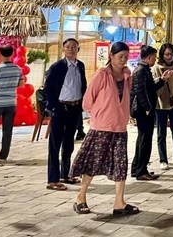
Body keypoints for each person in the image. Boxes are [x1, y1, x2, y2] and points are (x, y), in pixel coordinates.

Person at [71, 42, 139, 216]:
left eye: (125, 57)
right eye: (119, 57)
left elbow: (126, 98)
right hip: (101, 128)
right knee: (93, 162)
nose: (123, 60)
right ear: (111, 56)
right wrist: (98, 115)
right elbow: (87, 101)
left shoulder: (127, 75)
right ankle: (81, 197)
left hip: (120, 128)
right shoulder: (102, 75)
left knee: (120, 164)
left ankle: (119, 202)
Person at [45, 38, 87, 191]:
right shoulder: (57, 67)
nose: (70, 49)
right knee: (55, 144)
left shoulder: (80, 66)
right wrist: (53, 107)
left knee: (69, 143)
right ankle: (52, 179)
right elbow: (48, 89)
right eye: (67, 47)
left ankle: (65, 174)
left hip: (74, 107)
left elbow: (83, 85)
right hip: (60, 108)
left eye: (74, 47)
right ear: (63, 50)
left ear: (78, 49)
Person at [130, 46, 172, 181]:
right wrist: (147, 107)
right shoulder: (140, 70)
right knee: (145, 140)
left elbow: (150, 87)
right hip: (143, 111)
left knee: (143, 139)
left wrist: (162, 80)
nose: (155, 59)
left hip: (145, 109)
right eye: (154, 57)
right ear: (148, 57)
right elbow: (140, 91)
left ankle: (138, 168)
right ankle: (141, 170)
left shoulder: (144, 70)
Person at [152, 43, 173, 170]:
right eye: (167, 54)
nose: (169, 57)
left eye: (171, 54)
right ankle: (163, 159)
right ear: (162, 55)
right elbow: (154, 87)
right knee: (161, 134)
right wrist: (162, 79)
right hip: (160, 105)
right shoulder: (156, 68)